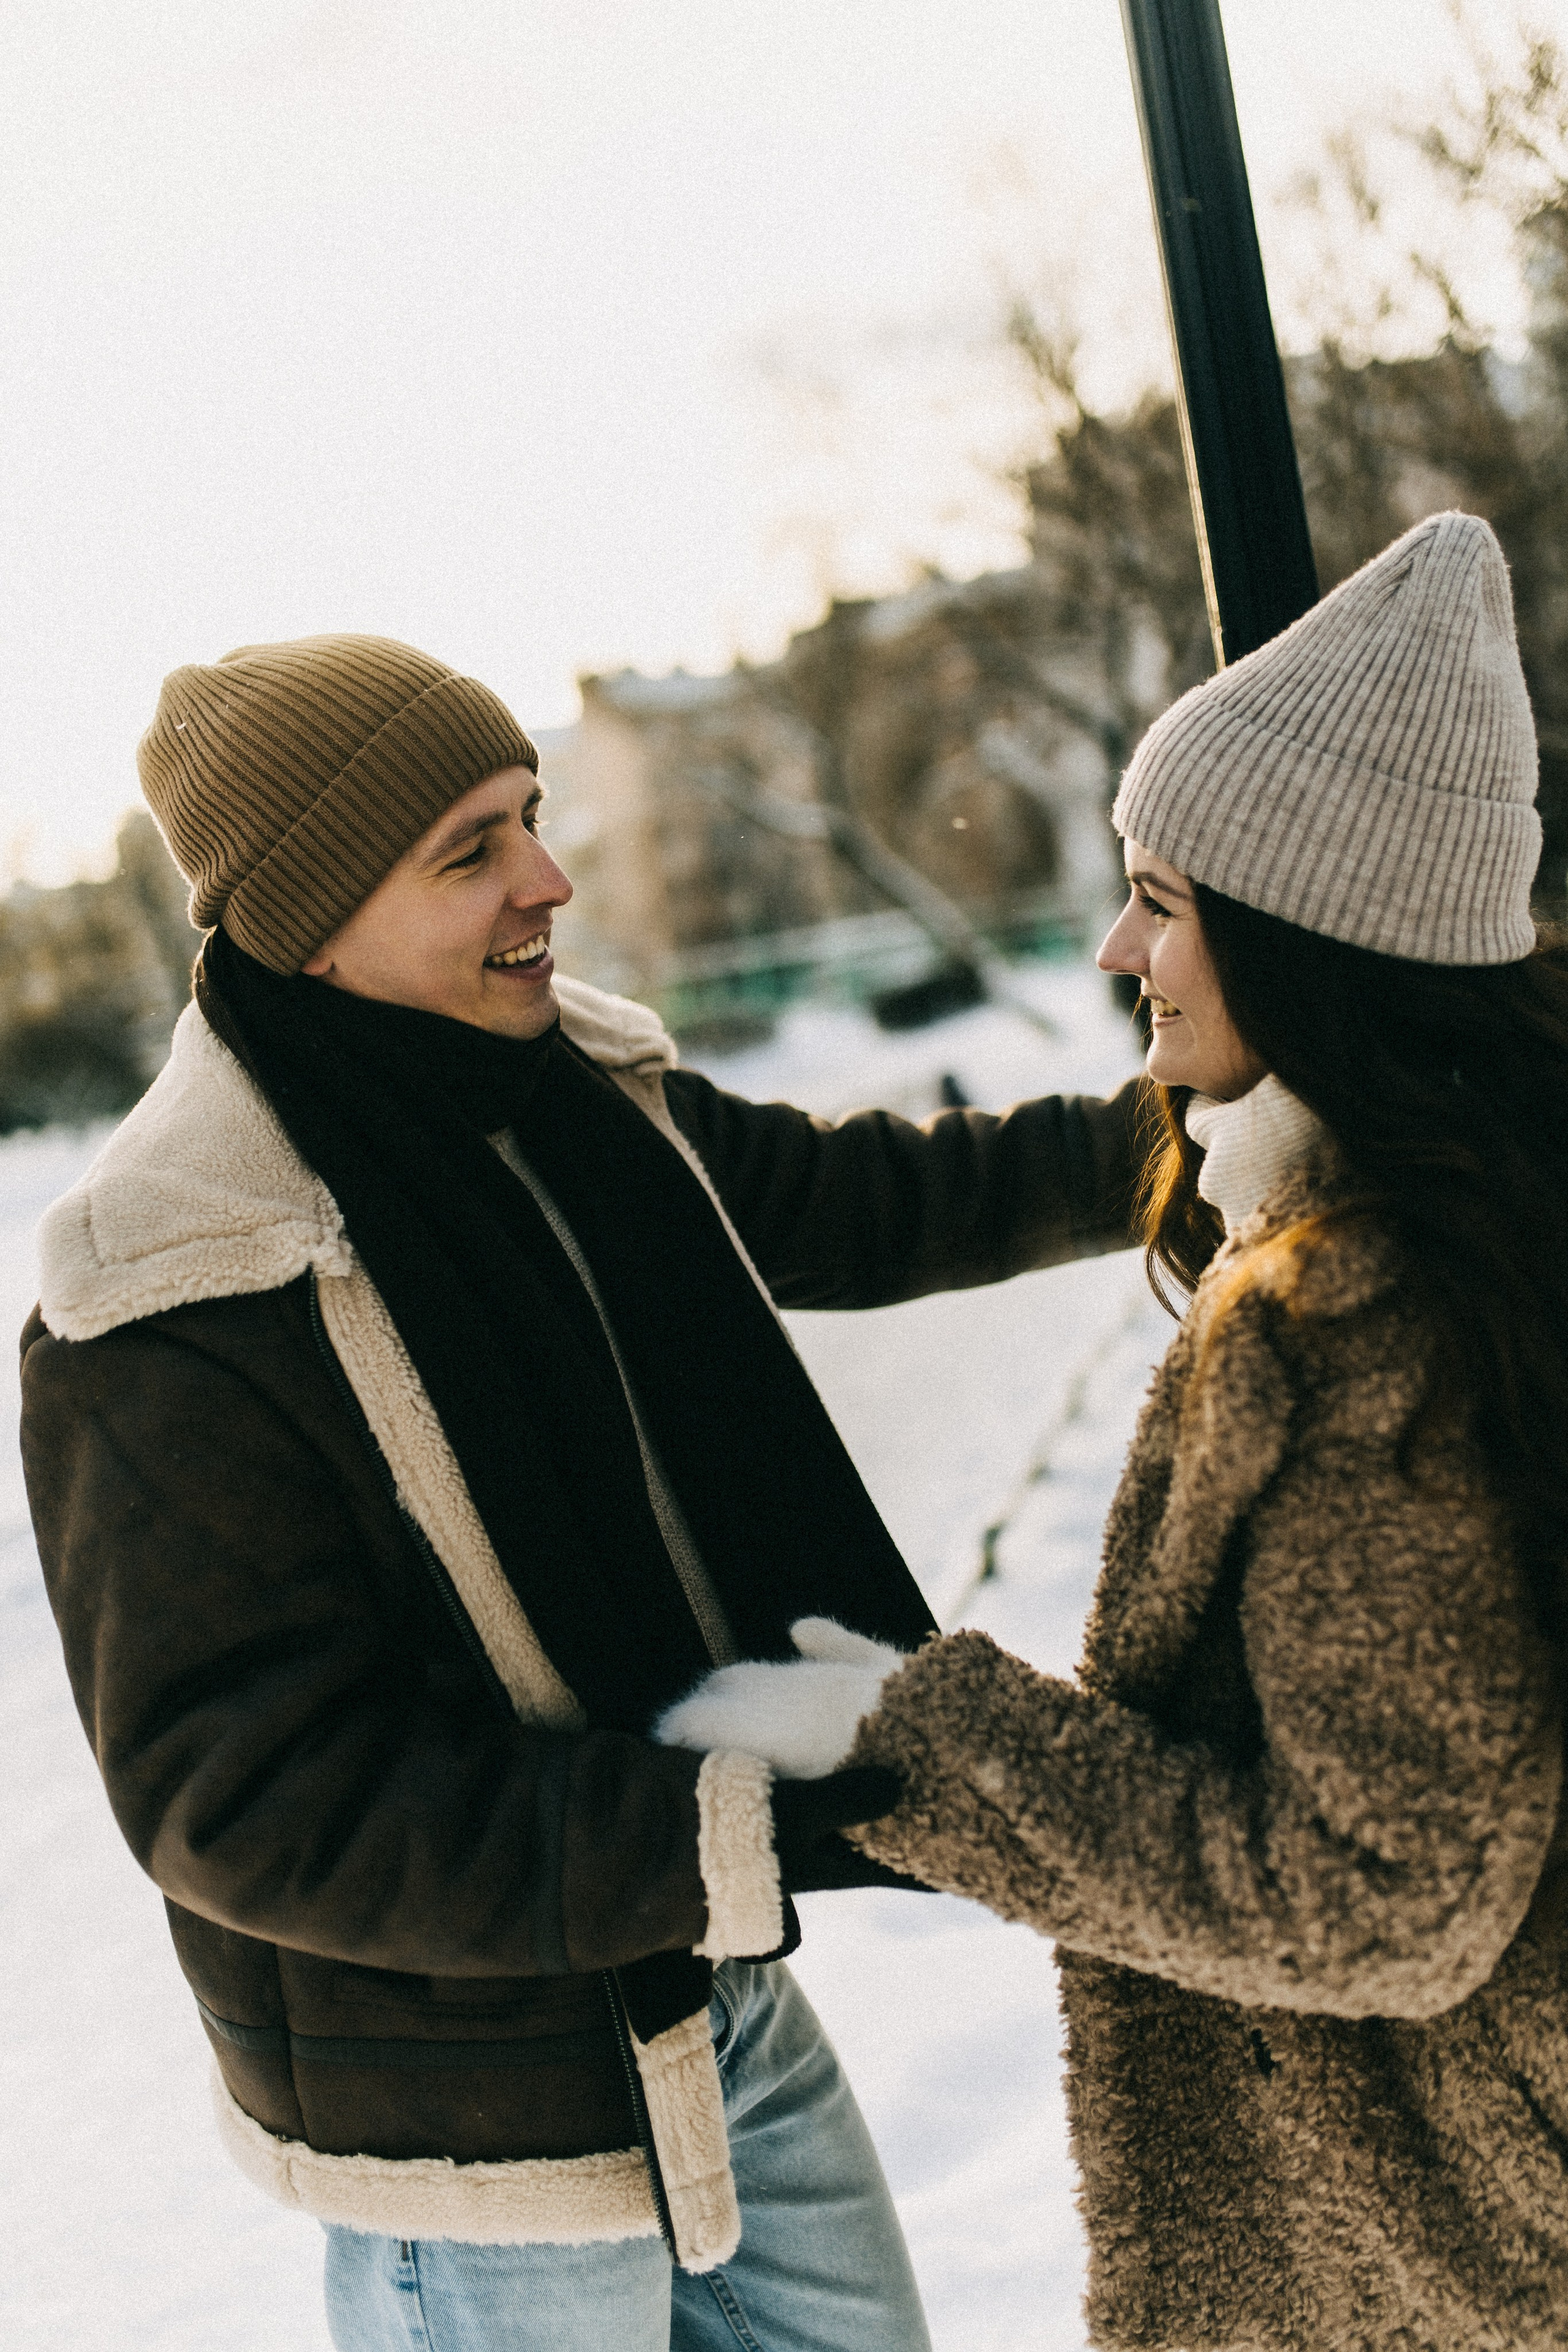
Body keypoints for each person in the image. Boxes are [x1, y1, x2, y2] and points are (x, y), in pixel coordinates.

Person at [20, 632, 1145, 2352]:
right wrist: (718, 1831)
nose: (551, 877)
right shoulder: (173, 1293)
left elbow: (857, 1201)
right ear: (312, 916)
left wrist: (1182, 1150)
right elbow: (244, 1797)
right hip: (473, 2145)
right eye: (470, 849)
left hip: (713, 2017)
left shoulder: (567, 1104)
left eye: (532, 816)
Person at [660, 511, 1568, 2351]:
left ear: (1308, 937)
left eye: (1160, 896)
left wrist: (927, 1732)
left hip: (1418, 2276)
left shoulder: (1367, 1335)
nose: (1112, 943)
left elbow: (1383, 1901)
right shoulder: (1463, 1230)